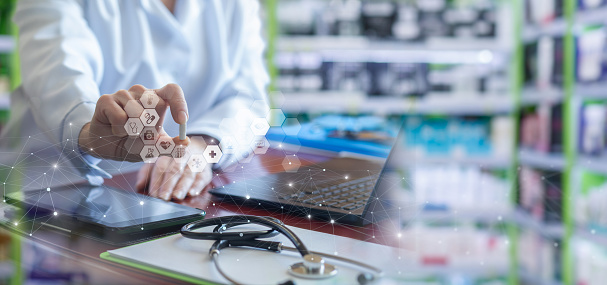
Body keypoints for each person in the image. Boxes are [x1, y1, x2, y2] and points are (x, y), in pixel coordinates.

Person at [1, 0, 269, 200]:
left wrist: (201, 144)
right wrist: (91, 132)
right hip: (56, 195)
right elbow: (57, 70)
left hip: (178, 196)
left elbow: (250, 97)